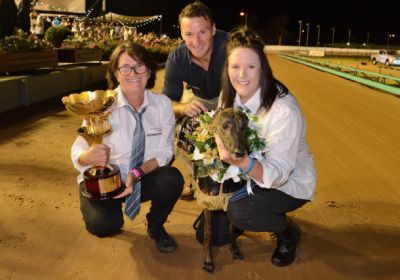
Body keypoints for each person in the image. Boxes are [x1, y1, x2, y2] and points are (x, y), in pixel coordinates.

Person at [215, 27, 317, 267]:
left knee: (242, 213)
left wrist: (240, 161)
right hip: (244, 173)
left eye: (251, 66)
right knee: (213, 235)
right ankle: (243, 208)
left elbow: (279, 174)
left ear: (262, 67)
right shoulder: (228, 96)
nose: (242, 74)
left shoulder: (283, 110)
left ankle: (287, 231)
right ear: (227, 68)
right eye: (235, 66)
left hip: (286, 181)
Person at [71, 41, 184, 253]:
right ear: (115, 73)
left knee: (172, 178)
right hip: (105, 181)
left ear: (149, 70)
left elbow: (165, 152)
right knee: (103, 226)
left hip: (141, 175)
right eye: (125, 67)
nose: (133, 72)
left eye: (139, 66)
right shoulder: (102, 104)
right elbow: (78, 150)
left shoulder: (162, 105)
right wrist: (88, 157)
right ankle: (106, 213)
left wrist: (135, 173)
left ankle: (156, 224)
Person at [162, 1, 228, 199]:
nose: (196, 42)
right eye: (188, 34)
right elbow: (167, 104)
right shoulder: (176, 58)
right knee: (178, 127)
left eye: (202, 33)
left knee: (231, 130)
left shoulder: (231, 46)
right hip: (198, 96)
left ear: (213, 29)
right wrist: (183, 107)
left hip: (231, 95)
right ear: (181, 34)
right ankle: (196, 178)